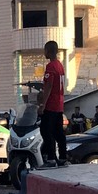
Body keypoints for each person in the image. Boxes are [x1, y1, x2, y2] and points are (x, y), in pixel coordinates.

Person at [37, 40, 68, 168]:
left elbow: (49, 86)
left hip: (51, 105)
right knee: (58, 132)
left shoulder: (51, 67)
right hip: (59, 104)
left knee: (45, 131)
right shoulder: (60, 66)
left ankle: (50, 158)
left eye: (45, 50)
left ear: (48, 51)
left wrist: (42, 105)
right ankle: (63, 157)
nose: (44, 53)